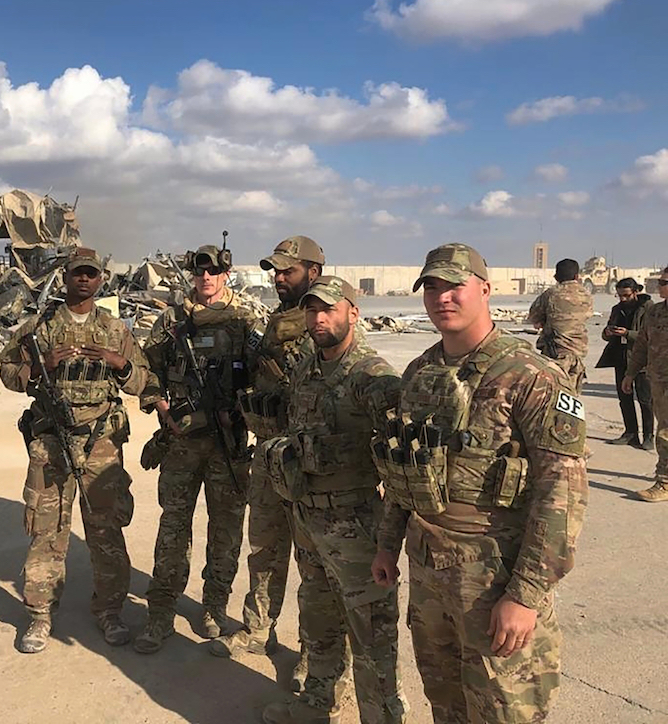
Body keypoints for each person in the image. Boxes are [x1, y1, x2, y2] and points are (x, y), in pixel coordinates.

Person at [371, 243, 588, 723]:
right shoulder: (421, 372)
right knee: (445, 702)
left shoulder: (532, 375)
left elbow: (564, 494)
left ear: (485, 290)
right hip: (429, 572)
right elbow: (404, 469)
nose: (442, 297)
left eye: (455, 285)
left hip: (494, 577)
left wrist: (525, 595)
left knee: (504, 711)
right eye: (431, 286)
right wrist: (387, 546)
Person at [260, 277, 408, 724]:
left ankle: (382, 716)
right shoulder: (307, 367)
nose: (319, 319)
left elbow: (403, 453)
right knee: (318, 617)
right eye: (311, 311)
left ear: (353, 313)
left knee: (370, 633)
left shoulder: (372, 375)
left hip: (355, 522)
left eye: (329, 309)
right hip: (308, 517)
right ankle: (319, 699)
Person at [0, 247, 150, 653]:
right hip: (51, 441)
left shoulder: (116, 330)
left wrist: (121, 365)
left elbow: (143, 383)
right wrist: (38, 364)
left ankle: (110, 611)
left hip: (101, 441)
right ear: (65, 277)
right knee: (47, 530)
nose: (84, 280)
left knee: (105, 529)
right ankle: (40, 615)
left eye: (91, 274)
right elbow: (8, 371)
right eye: (77, 273)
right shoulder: (40, 327)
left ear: (101, 280)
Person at [209, 237, 323, 690]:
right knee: (264, 549)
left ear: (313, 271)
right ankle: (258, 628)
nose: (278, 279)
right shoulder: (276, 319)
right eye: (275, 272)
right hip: (270, 451)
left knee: (314, 562)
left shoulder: (326, 319)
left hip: (310, 461)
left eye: (287, 272)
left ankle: (317, 652)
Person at [134, 240, 257, 654]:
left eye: (212, 271)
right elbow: (145, 369)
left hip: (228, 442)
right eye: (199, 271)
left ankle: (214, 606)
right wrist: (162, 405)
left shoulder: (245, 318)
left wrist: (244, 411)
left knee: (226, 529)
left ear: (225, 272)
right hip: (182, 442)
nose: (205, 278)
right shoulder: (171, 320)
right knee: (173, 528)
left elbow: (267, 374)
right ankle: (161, 611)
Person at [622, 267, 668, 502]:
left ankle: (665, 482)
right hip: (659, 381)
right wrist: (630, 374)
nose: (660, 285)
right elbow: (641, 346)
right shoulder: (656, 312)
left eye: (664, 282)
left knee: (665, 432)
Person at [597, 277, 653, 449]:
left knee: (645, 400)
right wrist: (608, 332)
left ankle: (649, 436)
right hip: (621, 358)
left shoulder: (648, 309)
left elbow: (650, 336)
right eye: (620, 296)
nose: (623, 299)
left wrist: (628, 333)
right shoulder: (617, 309)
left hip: (642, 360)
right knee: (624, 398)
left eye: (627, 296)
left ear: (635, 292)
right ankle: (631, 433)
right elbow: (605, 334)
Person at [527, 258, 593, 393]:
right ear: (577, 276)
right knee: (572, 395)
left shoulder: (551, 294)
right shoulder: (586, 295)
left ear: (556, 277)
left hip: (555, 352)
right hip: (577, 353)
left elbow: (534, 318)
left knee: (552, 395)